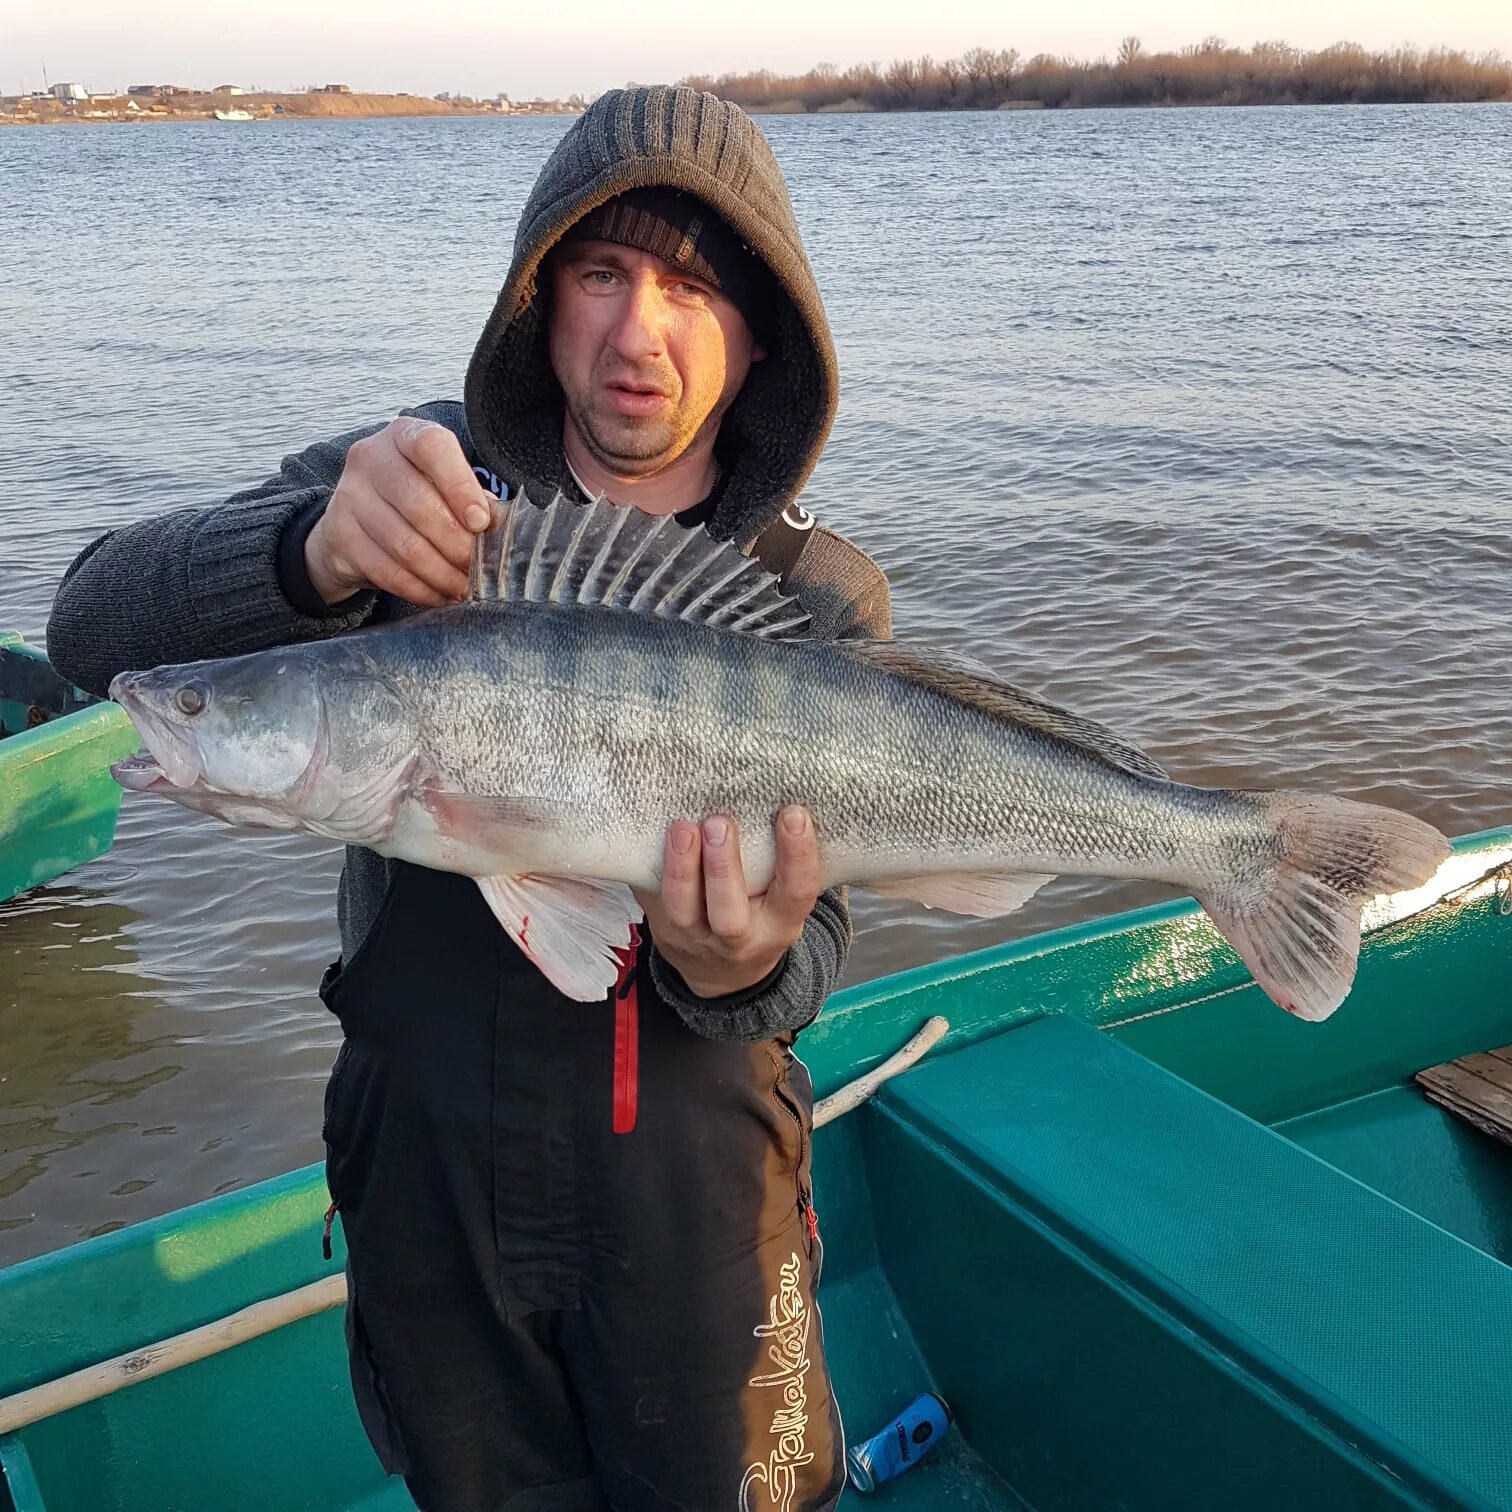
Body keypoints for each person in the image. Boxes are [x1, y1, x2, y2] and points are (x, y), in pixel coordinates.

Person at [48, 84, 891, 1511]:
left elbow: (816, 946)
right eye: (602, 272)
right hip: (426, 1174)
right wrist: (303, 552)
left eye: (693, 288)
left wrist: (752, 966)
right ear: (537, 295)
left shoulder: (814, 599)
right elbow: (89, 633)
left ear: (760, 340)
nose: (639, 331)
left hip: (700, 1200)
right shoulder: (411, 490)